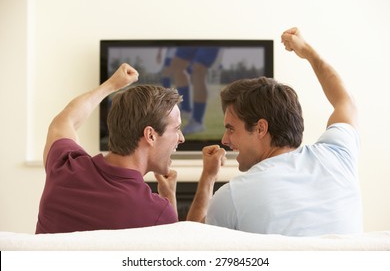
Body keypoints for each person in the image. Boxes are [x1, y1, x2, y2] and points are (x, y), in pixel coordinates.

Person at [186, 27, 363, 236]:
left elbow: (192, 243)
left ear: (261, 128)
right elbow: (345, 101)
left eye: (231, 129)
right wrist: (307, 51)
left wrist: (208, 176)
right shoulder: (337, 155)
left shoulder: (233, 196)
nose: (225, 139)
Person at [36, 63, 185, 234]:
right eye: (177, 129)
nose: (181, 138)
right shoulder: (157, 213)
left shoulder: (64, 168)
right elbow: (171, 254)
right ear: (150, 135)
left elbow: (64, 121)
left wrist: (111, 85)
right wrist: (169, 198)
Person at [171, 47, 222, 135]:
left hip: (209, 37)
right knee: (177, 65)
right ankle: (186, 109)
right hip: (192, 35)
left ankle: (197, 121)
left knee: (198, 69)